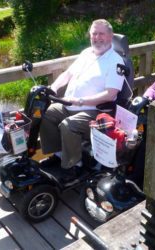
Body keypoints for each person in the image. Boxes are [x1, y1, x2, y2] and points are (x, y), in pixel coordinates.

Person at [39, 19, 125, 181]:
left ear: (110, 36)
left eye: (101, 34)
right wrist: (54, 87)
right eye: (94, 33)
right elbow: (68, 74)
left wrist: (80, 101)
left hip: (95, 112)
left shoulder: (115, 62)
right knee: (46, 114)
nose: (97, 37)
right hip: (70, 105)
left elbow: (110, 94)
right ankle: (59, 155)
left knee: (68, 125)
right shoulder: (86, 53)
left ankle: (73, 166)